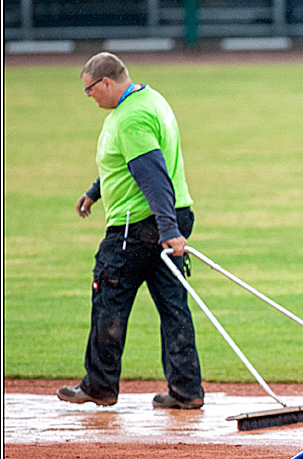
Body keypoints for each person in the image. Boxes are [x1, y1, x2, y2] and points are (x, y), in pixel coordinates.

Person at [58, 52, 204, 410]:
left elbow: (152, 173)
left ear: (106, 82)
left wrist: (166, 229)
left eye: (89, 89)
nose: (89, 95)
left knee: (109, 298)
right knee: (174, 307)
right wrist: (96, 190)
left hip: (137, 227)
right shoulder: (150, 100)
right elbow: (127, 162)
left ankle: (100, 384)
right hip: (171, 216)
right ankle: (186, 390)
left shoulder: (130, 117)